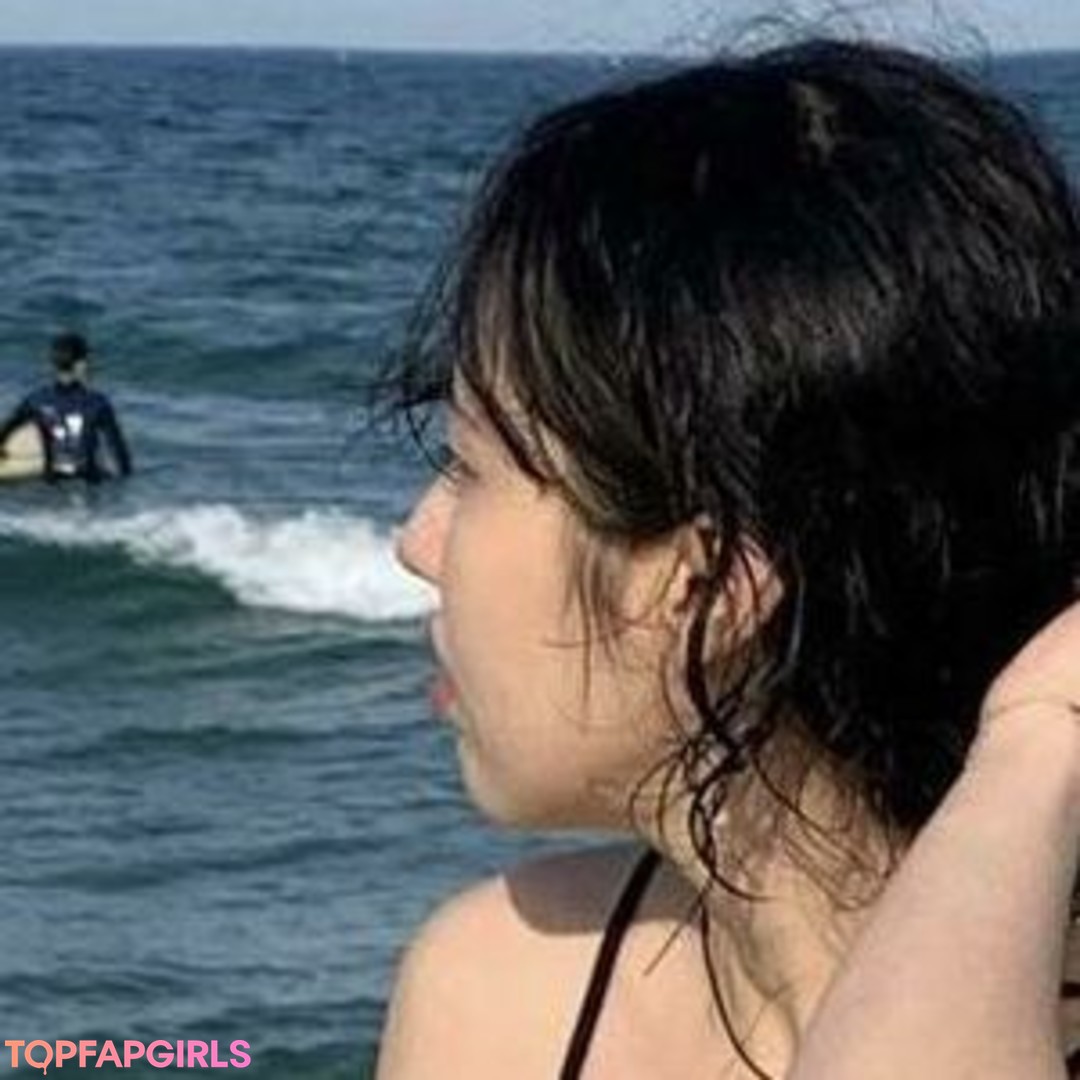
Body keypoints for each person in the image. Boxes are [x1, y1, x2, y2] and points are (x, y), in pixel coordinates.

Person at [376, 38, 1080, 1079]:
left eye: (469, 467)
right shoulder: (499, 997)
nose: (416, 543)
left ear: (708, 582)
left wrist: (1040, 747)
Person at [0, 330, 133, 482]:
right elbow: (118, 452)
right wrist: (126, 483)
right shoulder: (98, 403)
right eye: (87, 360)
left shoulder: (37, 400)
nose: (90, 365)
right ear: (79, 365)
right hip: (89, 485)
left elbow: (7, 428)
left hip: (52, 484)